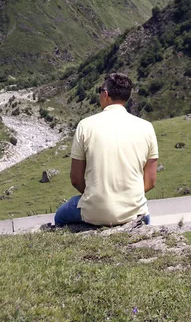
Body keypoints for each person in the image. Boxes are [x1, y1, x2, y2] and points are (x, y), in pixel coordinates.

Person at [54, 72, 158, 228]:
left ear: (105, 94)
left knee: (60, 217)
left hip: (93, 210)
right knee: (146, 217)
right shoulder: (147, 127)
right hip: (135, 212)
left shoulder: (85, 125)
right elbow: (150, 181)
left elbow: (75, 178)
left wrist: (96, 196)